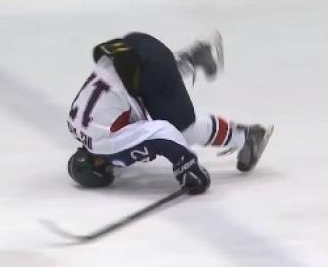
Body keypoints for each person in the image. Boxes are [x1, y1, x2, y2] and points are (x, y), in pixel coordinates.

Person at [66, 31, 273, 195]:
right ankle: (191, 57)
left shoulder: (108, 146)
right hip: (130, 46)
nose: (115, 169)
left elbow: (163, 133)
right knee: (151, 98)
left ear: (100, 167)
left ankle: (248, 137)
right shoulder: (74, 124)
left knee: (184, 130)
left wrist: (185, 165)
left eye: (110, 169)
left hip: (150, 67)